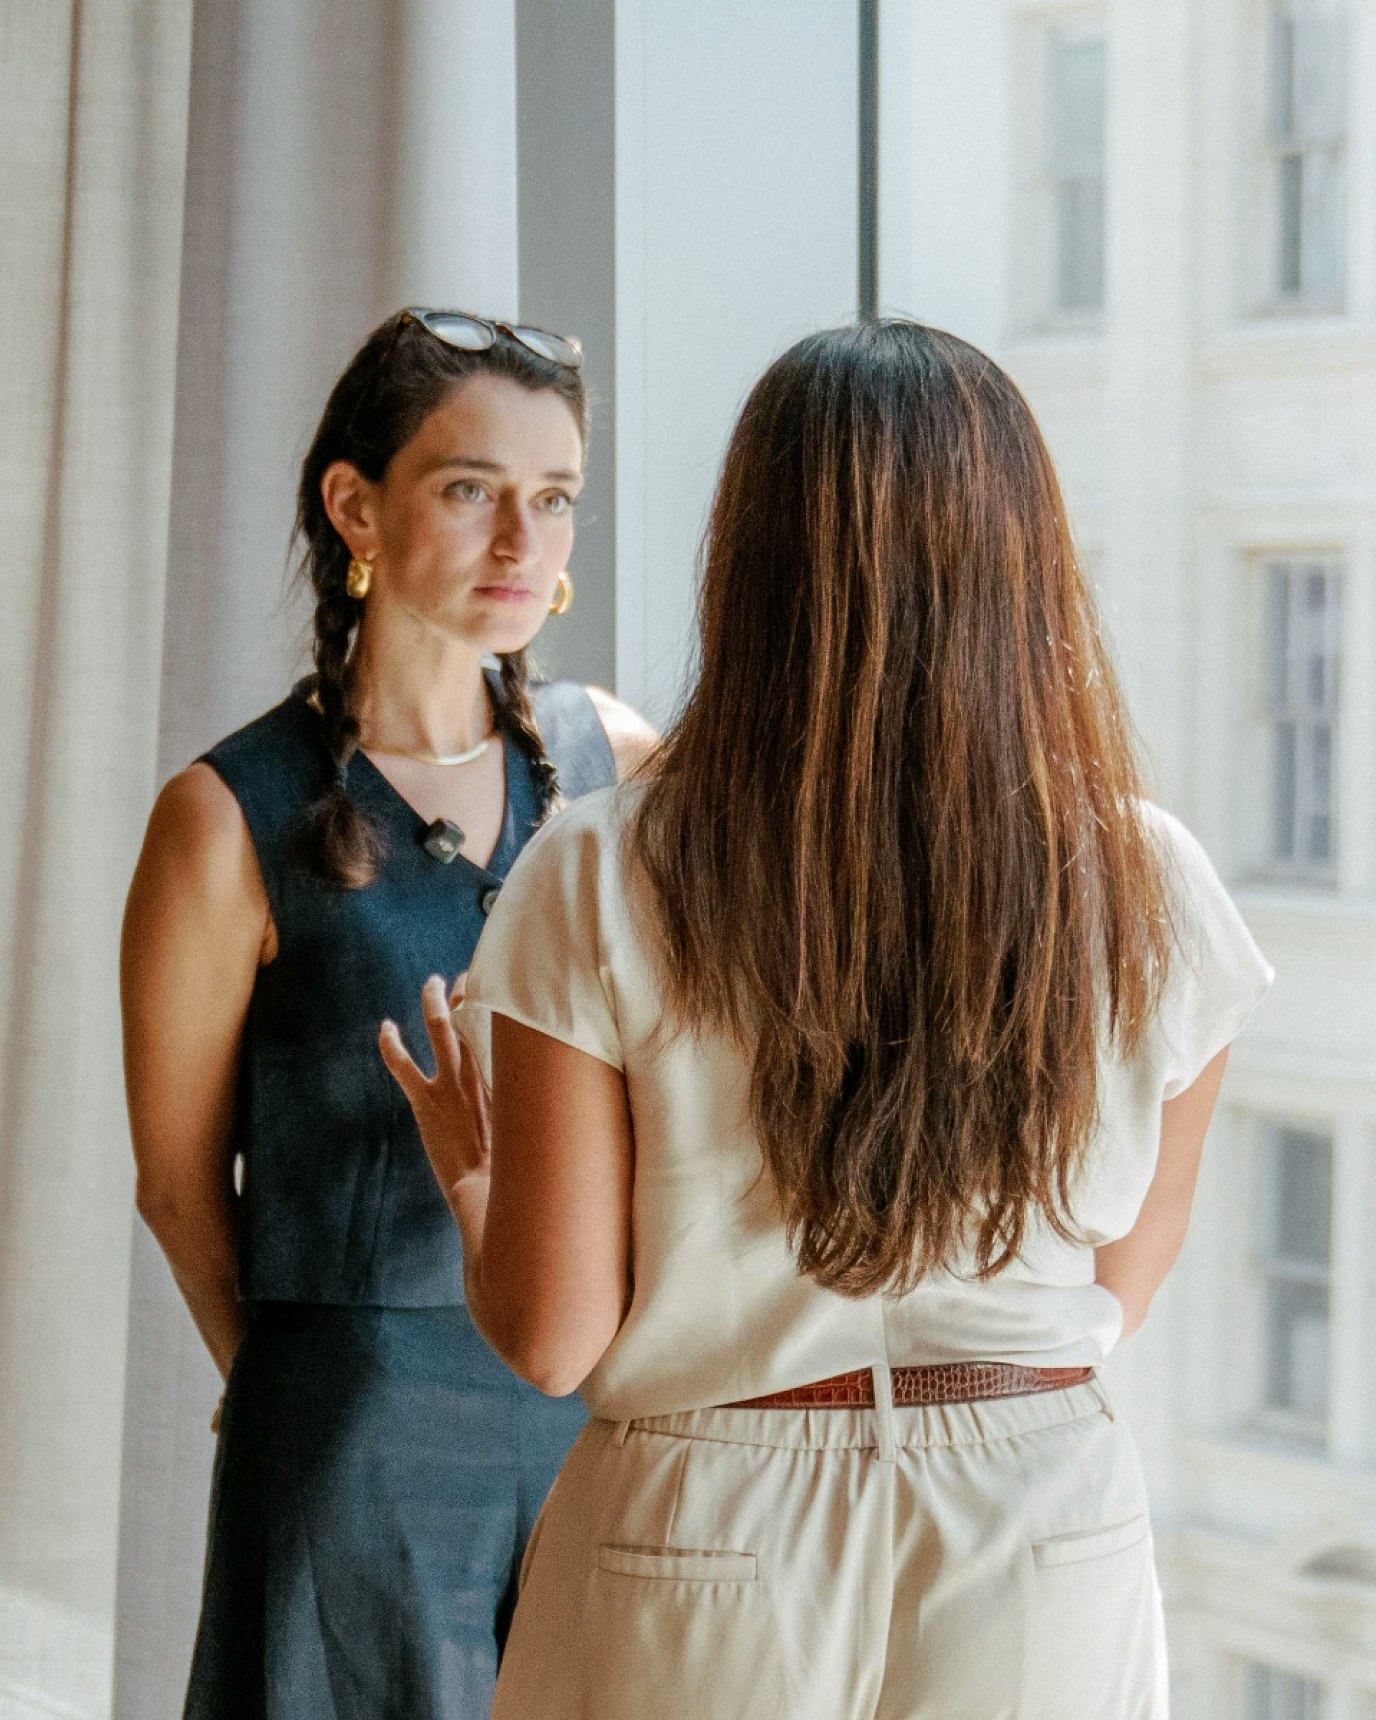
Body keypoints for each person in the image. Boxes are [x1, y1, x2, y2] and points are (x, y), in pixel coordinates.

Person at [382, 319, 1274, 1720]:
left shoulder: (606, 866)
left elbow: (556, 1338)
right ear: (1020, 560)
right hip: (1041, 1513)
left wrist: (470, 1162)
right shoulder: (1146, 879)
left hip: (705, 1527)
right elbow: (1127, 1274)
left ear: (755, 562)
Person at [121, 306, 655, 1719]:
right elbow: (178, 1189)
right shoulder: (224, 816)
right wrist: (297, 1382)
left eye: (554, 502)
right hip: (348, 1434)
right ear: (356, 505)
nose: (518, 544)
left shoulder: (619, 767)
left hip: (598, 1420)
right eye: (471, 488)